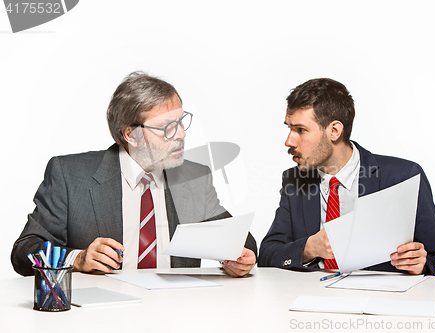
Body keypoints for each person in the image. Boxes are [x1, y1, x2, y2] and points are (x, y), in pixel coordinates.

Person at [12, 71, 257, 277]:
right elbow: (25, 250)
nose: (181, 134)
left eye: (181, 122)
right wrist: (78, 259)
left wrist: (239, 257)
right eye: (168, 127)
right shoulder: (70, 175)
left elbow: (240, 240)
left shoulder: (193, 177)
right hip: (101, 316)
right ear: (130, 135)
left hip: (179, 313)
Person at [258, 78, 435, 275]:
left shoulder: (404, 176)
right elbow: (267, 255)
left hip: (379, 300)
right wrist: (310, 247)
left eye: (300, 130)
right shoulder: (295, 180)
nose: (289, 141)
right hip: (312, 296)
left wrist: (421, 264)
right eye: (289, 128)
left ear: (334, 131)